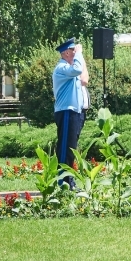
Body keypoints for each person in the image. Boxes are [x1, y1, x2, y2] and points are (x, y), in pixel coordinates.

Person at [52, 37, 85, 189]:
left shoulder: (69, 68)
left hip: (73, 112)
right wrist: (80, 54)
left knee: (71, 148)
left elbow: (83, 77)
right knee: (65, 148)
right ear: (65, 53)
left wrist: (78, 55)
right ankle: (63, 181)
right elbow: (78, 69)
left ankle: (68, 180)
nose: (75, 52)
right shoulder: (62, 68)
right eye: (73, 50)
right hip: (66, 112)